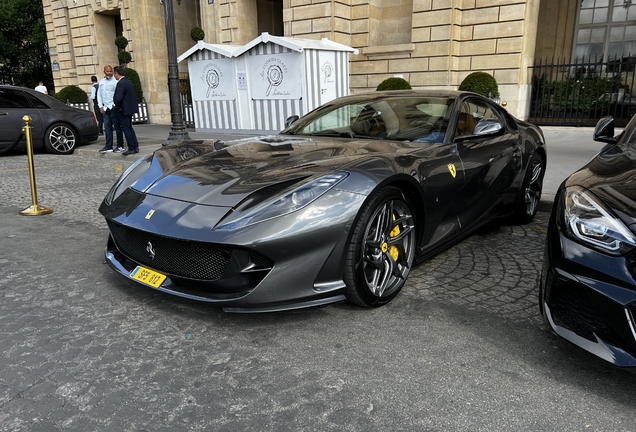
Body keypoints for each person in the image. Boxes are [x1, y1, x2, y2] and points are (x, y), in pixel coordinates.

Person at [112, 66, 139, 155]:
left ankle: (131, 147)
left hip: (123, 109)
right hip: (130, 108)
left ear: (116, 73)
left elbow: (118, 98)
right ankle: (135, 146)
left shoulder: (121, 83)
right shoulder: (129, 82)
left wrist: (116, 105)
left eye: (114, 74)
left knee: (126, 129)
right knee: (130, 128)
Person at [97, 65, 123, 153]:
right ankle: (108, 146)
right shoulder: (101, 82)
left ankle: (120, 145)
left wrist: (114, 104)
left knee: (117, 127)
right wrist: (100, 106)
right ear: (104, 71)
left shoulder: (115, 81)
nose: (109, 73)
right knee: (107, 127)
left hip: (113, 107)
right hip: (105, 108)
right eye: (107, 71)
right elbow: (99, 95)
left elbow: (118, 93)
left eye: (111, 71)